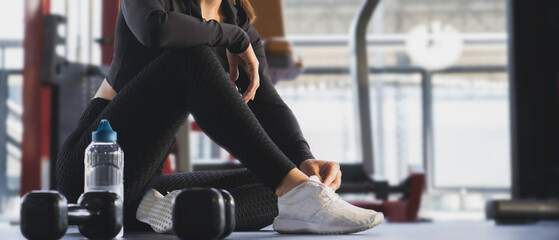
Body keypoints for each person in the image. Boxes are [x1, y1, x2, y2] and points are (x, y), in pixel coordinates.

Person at [56, 0, 383, 234]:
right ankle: (301, 194)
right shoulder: (188, 17)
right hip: (91, 172)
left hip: (144, 188)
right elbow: (155, 30)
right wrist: (232, 37)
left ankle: (168, 213)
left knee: (275, 187)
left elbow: (265, 102)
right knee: (190, 55)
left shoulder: (237, 21)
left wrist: (303, 160)